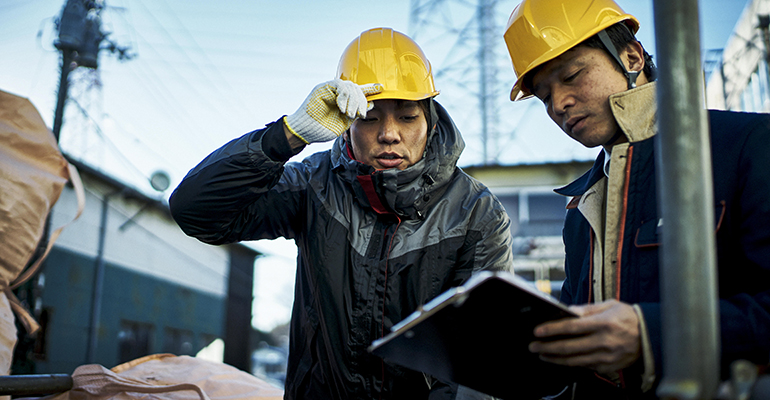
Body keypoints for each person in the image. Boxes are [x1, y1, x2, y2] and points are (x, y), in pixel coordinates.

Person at [169, 27, 513, 400]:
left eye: (408, 116)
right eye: (369, 118)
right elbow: (196, 211)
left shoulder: (476, 213)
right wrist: (288, 135)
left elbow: (477, 362)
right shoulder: (313, 184)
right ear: (346, 125)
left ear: (429, 122)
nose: (389, 134)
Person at [502, 0, 770, 398]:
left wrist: (650, 334)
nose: (559, 104)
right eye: (543, 96)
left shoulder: (751, 146)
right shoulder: (580, 208)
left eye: (572, 75)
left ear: (631, 56)